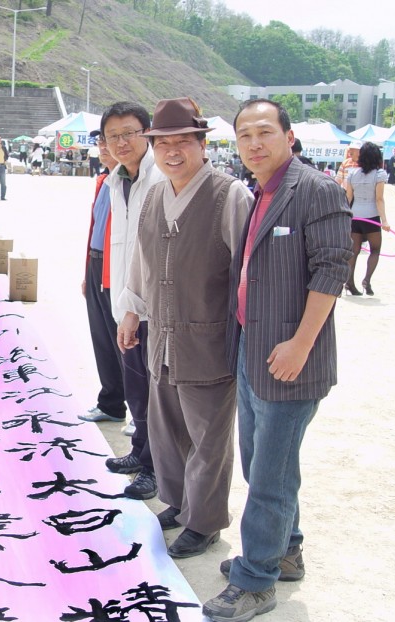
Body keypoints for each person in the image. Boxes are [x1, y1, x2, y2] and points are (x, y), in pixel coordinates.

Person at [202, 99, 351, 622]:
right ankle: (285, 550)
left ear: (289, 137)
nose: (254, 143)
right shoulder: (259, 191)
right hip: (252, 347)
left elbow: (332, 270)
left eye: (264, 132)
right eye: (244, 135)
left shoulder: (316, 189)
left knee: (269, 476)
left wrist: (301, 345)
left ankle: (256, 580)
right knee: (262, 463)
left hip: (291, 358)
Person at [116, 98, 252, 558]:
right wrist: (132, 311)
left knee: (208, 437)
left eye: (183, 142)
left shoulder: (229, 195)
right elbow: (142, 260)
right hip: (163, 335)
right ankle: (177, 503)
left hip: (208, 338)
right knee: (168, 429)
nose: (172, 152)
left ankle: (205, 522)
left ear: (202, 144)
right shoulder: (155, 194)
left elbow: (247, 271)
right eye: (163, 144)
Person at [79, 101, 165, 503]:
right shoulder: (116, 179)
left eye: (129, 133)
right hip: (126, 300)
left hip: (153, 305)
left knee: (156, 390)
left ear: (147, 133)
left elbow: (156, 251)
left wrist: (137, 306)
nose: (120, 142)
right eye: (112, 136)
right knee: (136, 385)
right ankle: (140, 451)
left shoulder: (159, 178)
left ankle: (154, 468)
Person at [82, 131, 126, 440]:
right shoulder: (103, 181)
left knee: (124, 341)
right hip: (97, 263)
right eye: (100, 143)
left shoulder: (128, 182)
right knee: (102, 338)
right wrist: (87, 272)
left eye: (108, 142)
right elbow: (95, 228)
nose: (104, 148)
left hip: (116, 267)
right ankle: (111, 402)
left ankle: (140, 411)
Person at [345, 142, 391, 297]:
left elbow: (348, 197)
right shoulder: (379, 174)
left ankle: (349, 282)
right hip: (371, 216)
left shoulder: (352, 173)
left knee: (354, 251)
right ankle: (367, 280)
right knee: (375, 250)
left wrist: (345, 217)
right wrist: (384, 221)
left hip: (355, 216)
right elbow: (379, 199)